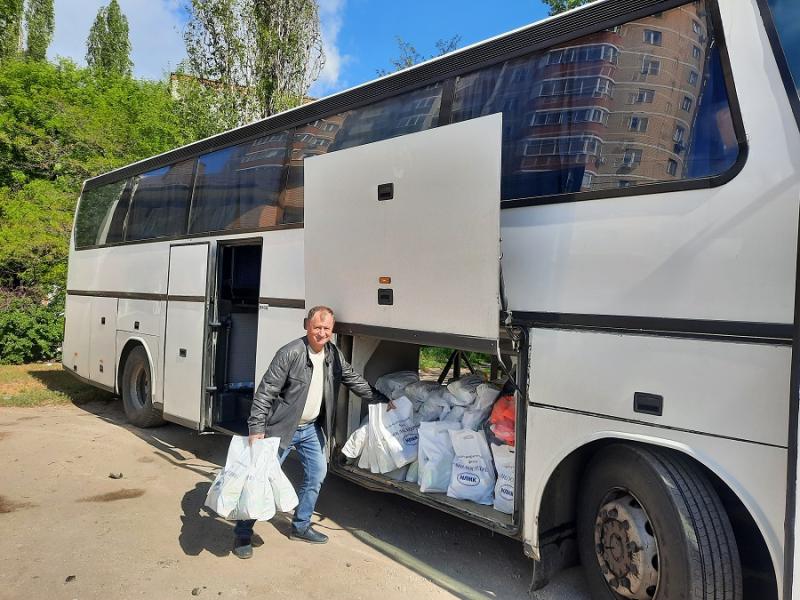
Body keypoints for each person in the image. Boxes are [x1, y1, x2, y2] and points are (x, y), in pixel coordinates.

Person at [233, 305, 391, 559]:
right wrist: (256, 428)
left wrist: (381, 399)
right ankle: (243, 532)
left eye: (326, 329)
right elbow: (265, 392)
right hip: (281, 428)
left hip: (310, 429)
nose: (321, 333)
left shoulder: (333, 354)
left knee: (317, 473)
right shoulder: (290, 353)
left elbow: (353, 379)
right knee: (259, 479)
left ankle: (301, 526)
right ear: (307, 325)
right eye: (317, 327)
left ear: (332, 330)